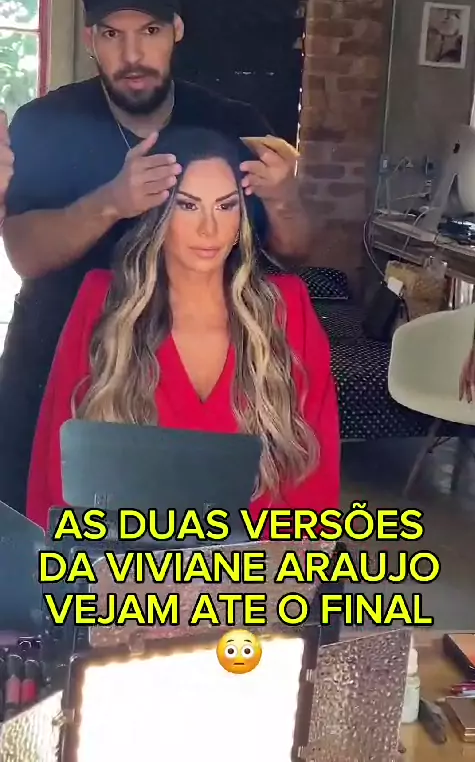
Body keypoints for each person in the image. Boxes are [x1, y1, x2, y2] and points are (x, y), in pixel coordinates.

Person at [0, 0, 310, 515]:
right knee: (43, 529)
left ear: (176, 31)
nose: (133, 54)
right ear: (90, 39)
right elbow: (23, 254)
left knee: (193, 541)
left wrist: (285, 201)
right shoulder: (46, 124)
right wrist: (110, 202)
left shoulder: (231, 125)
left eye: (149, 30)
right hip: (54, 361)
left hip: (191, 378)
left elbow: (290, 253)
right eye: (112, 34)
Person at [26, 129, 340, 530]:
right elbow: (56, 465)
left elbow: (315, 474)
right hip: (127, 561)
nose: (209, 228)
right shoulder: (103, 302)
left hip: (258, 562)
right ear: (159, 212)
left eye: (226, 206)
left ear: (242, 217)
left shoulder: (286, 308)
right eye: (188, 205)